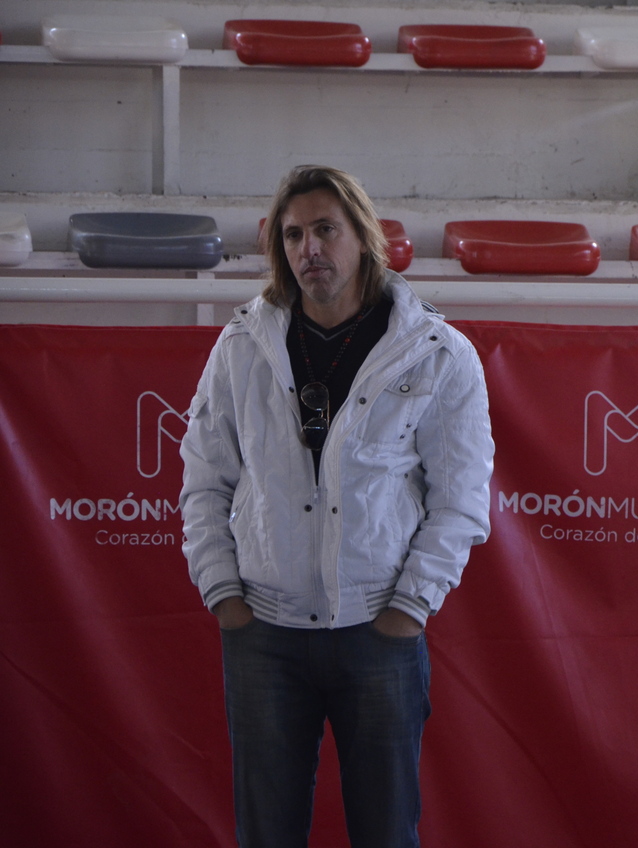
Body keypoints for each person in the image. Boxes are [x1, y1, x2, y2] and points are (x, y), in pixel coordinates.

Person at [179, 164, 494, 848]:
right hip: (264, 632)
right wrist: (225, 595)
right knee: (267, 834)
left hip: (378, 632)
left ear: (364, 236)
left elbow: (462, 501)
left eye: (326, 229)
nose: (309, 248)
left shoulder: (437, 353)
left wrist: (410, 608)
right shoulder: (241, 348)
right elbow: (203, 482)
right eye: (293, 235)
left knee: (386, 833)